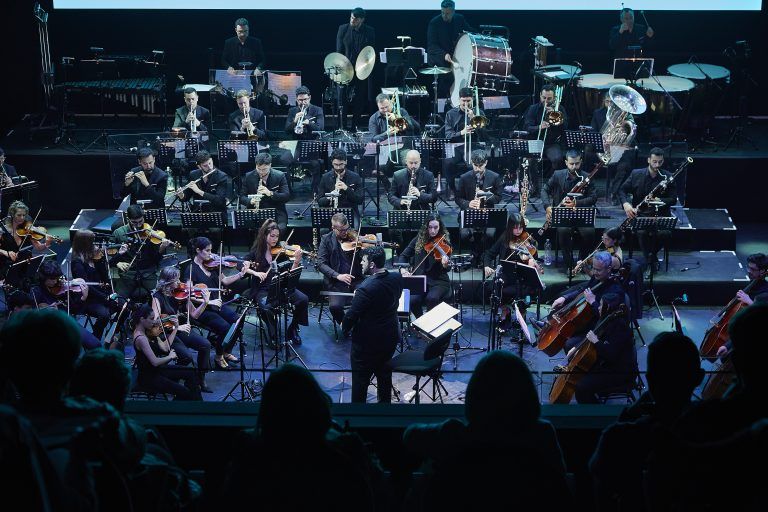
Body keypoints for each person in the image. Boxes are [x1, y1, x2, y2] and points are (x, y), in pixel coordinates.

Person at [403, 351, 570, 509]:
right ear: (528, 394)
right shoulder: (543, 433)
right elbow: (559, 483)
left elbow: (410, 435)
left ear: (474, 394)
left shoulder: (454, 433)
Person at [222, 364, 375, 511]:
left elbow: (231, 500)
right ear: (320, 404)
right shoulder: (345, 450)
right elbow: (375, 496)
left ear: (267, 410)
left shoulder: (249, 452)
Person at [589, 332, 704, 511]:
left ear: (649, 379)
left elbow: (600, 488)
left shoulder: (619, 437)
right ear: (699, 378)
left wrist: (628, 415)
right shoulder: (711, 428)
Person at [342, 246, 403, 403]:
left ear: (372, 264)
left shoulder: (365, 288)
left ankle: (359, 414)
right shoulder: (397, 278)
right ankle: (383, 411)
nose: (361, 263)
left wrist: (344, 327)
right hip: (389, 338)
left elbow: (351, 316)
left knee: (360, 383)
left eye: (363, 260)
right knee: (384, 379)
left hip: (367, 345)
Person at [539, 251, 626, 352]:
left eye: (598, 270)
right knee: (556, 311)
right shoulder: (596, 278)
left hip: (596, 327)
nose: (594, 272)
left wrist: (593, 302)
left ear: (609, 269)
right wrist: (565, 298)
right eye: (593, 268)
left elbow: (605, 317)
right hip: (585, 320)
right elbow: (583, 290)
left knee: (568, 344)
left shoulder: (615, 291)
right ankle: (549, 327)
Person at [187, 236, 250, 370]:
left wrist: (240, 274)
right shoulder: (191, 269)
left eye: (211, 250)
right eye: (207, 251)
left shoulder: (212, 265)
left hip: (217, 305)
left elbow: (225, 281)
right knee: (225, 327)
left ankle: (226, 351)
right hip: (203, 308)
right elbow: (189, 295)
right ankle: (218, 356)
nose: (211, 254)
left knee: (237, 321)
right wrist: (209, 301)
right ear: (198, 250)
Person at [564, 292, 638, 404]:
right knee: (580, 374)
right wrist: (576, 348)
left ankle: (595, 412)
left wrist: (596, 341)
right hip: (606, 364)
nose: (598, 307)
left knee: (581, 387)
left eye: (601, 305)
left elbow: (611, 355)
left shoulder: (620, 327)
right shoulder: (606, 319)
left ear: (607, 308)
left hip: (619, 372)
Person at [245, 219, 309, 346]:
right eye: (272, 236)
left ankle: (292, 329)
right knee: (266, 307)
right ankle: (273, 332)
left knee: (303, 299)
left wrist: (296, 262)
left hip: (281, 286)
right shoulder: (256, 252)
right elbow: (242, 265)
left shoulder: (282, 252)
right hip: (263, 290)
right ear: (264, 235)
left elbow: (290, 273)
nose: (275, 239)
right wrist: (255, 273)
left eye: (277, 236)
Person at [152, 266, 214, 392]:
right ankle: (174, 378)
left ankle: (201, 379)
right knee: (187, 357)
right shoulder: (157, 297)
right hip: (167, 333)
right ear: (168, 282)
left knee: (205, 345)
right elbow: (156, 322)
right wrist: (177, 327)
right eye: (177, 280)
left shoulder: (181, 294)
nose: (180, 282)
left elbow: (194, 315)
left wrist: (205, 302)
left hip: (181, 330)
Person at [618, 147, 677, 272]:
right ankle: (650, 259)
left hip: (660, 215)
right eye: (654, 161)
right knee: (641, 232)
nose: (657, 165)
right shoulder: (636, 174)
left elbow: (673, 199)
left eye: (660, 162)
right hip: (641, 214)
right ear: (648, 160)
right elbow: (622, 190)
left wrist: (658, 200)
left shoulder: (668, 177)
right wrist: (626, 204)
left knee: (664, 233)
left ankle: (650, 257)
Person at [541, 149, 597, 271]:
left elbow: (593, 198)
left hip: (581, 214)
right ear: (566, 162)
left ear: (581, 162)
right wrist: (547, 207)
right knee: (563, 231)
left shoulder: (587, 177)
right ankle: (569, 265)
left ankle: (581, 262)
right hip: (562, 214)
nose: (574, 167)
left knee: (589, 233)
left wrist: (577, 203)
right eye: (571, 164)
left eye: (577, 163)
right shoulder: (558, 175)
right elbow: (544, 190)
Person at [131, 304, 202, 400]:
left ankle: (197, 403)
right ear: (142, 319)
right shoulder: (141, 338)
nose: (154, 321)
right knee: (185, 392)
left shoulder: (147, 332)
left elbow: (165, 348)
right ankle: (194, 404)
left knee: (191, 372)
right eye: (151, 319)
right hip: (149, 377)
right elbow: (155, 362)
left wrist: (175, 328)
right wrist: (170, 357)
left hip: (158, 370)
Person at [30, 260, 102, 350]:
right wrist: (46, 311)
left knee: (95, 344)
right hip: (49, 328)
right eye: (52, 279)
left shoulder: (62, 286)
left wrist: (83, 298)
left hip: (67, 321)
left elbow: (73, 310)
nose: (55, 281)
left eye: (56, 278)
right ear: (43, 277)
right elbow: (32, 314)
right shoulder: (36, 291)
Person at [483, 213, 542, 319]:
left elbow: (534, 255)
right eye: (515, 228)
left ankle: (523, 310)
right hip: (507, 273)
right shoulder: (504, 238)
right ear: (510, 227)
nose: (518, 231)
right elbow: (489, 254)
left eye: (521, 227)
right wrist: (486, 266)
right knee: (494, 287)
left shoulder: (527, 238)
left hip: (523, 275)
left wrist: (532, 261)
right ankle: (505, 308)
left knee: (527, 290)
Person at [110, 204, 172, 301]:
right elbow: (109, 251)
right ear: (128, 219)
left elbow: (157, 258)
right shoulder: (119, 232)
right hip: (128, 273)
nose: (139, 225)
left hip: (148, 272)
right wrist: (117, 262)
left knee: (162, 297)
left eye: (141, 221)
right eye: (134, 222)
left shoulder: (151, 233)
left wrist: (162, 248)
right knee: (118, 300)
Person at [714, 253, 768, 359]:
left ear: (762, 271)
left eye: (753, 269)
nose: (749, 271)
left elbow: (764, 317)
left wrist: (749, 301)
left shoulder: (765, 292)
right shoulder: (752, 284)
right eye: (748, 267)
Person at [398, 215, 452, 318]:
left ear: (440, 227)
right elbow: (403, 256)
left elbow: (448, 268)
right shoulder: (418, 240)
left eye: (435, 227)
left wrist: (445, 264)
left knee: (432, 298)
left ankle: (430, 323)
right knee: (412, 300)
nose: (433, 231)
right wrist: (403, 269)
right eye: (430, 227)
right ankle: (421, 321)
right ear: (426, 227)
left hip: (438, 281)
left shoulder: (444, 243)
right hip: (419, 279)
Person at [455, 149, 503, 261]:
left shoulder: (495, 177)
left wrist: (485, 196)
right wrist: (469, 203)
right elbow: (458, 198)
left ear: (486, 163)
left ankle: (482, 256)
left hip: (488, 213)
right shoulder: (464, 178)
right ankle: (476, 255)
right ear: (472, 162)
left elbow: (498, 198)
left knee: (490, 234)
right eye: (475, 165)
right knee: (464, 235)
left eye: (480, 166)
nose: (478, 169)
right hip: (469, 212)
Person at [70, 229, 118, 341]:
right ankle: (95, 338)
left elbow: (105, 278)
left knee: (125, 305)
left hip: (102, 294)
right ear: (85, 244)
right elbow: (88, 287)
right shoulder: (77, 262)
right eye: (92, 241)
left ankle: (111, 335)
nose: (95, 244)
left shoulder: (94, 257)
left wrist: (100, 260)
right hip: (89, 298)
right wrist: (106, 297)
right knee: (105, 314)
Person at [317, 213, 363, 326]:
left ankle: (361, 326)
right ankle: (347, 326)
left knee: (366, 301)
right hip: (336, 283)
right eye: (342, 230)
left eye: (347, 228)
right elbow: (321, 264)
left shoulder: (354, 237)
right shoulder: (326, 239)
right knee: (335, 307)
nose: (346, 232)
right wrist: (338, 275)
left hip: (357, 280)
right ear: (333, 228)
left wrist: (363, 248)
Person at [443, 87, 488, 198]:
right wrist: (461, 133)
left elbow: (484, 135)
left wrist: (473, 118)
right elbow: (448, 135)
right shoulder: (451, 113)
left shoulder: (479, 113)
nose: (466, 103)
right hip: (456, 146)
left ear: (472, 99)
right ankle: (453, 190)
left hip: (474, 145)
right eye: (463, 100)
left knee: (474, 163)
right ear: (459, 99)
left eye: (468, 100)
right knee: (448, 163)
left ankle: (474, 190)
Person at [523, 84, 568, 193]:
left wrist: (555, 116)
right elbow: (527, 127)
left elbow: (565, 128)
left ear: (554, 98)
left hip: (551, 143)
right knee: (530, 161)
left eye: (549, 98)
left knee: (557, 159)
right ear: (540, 95)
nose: (546, 101)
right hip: (536, 141)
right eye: (544, 98)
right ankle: (535, 187)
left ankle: (550, 185)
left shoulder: (560, 109)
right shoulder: (533, 108)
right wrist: (539, 127)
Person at [336, 7, 375, 131]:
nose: (352, 20)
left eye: (355, 19)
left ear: (362, 20)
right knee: (342, 98)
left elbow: (370, 52)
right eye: (351, 17)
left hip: (361, 70)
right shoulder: (343, 29)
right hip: (345, 69)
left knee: (359, 98)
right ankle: (342, 126)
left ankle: (355, 126)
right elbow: (339, 51)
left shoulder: (370, 31)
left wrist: (365, 67)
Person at [0, 200, 53, 290]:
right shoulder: (2, 230)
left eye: (24, 215)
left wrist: (47, 243)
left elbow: (39, 247)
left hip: (26, 264)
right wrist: (6, 252)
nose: (22, 218)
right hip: (9, 267)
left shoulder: (27, 229)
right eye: (19, 215)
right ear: (12, 215)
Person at [426, 0, 472, 98]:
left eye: (447, 14)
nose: (444, 16)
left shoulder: (459, 19)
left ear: (453, 12)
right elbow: (432, 46)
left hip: (454, 57)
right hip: (439, 58)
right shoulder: (434, 23)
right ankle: (442, 102)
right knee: (446, 80)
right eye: (442, 12)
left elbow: (470, 32)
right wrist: (444, 54)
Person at [285, 86, 326, 195]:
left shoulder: (317, 110)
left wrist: (308, 122)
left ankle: (315, 191)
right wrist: (295, 121)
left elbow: (320, 129)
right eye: (300, 100)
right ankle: (288, 192)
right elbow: (287, 130)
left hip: (312, 145)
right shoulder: (292, 111)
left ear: (310, 98)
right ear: (296, 99)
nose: (302, 102)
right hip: (297, 145)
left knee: (316, 164)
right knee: (284, 160)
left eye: (305, 100)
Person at [239, 152, 290, 232]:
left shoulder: (280, 176)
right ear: (256, 165)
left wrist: (270, 193)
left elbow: (286, 196)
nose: (261, 172)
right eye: (259, 169)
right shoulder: (248, 176)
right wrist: (250, 201)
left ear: (270, 165)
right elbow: (241, 197)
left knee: (280, 228)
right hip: (256, 211)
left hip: (276, 211)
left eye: (264, 169)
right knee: (248, 229)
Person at [317, 149, 364, 224]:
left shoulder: (355, 177)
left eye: (341, 164)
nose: (338, 168)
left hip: (350, 212)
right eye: (336, 164)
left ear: (346, 162)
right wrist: (330, 196)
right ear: (332, 162)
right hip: (331, 212)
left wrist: (347, 189)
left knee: (354, 228)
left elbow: (360, 200)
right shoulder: (325, 177)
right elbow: (320, 201)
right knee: (323, 228)